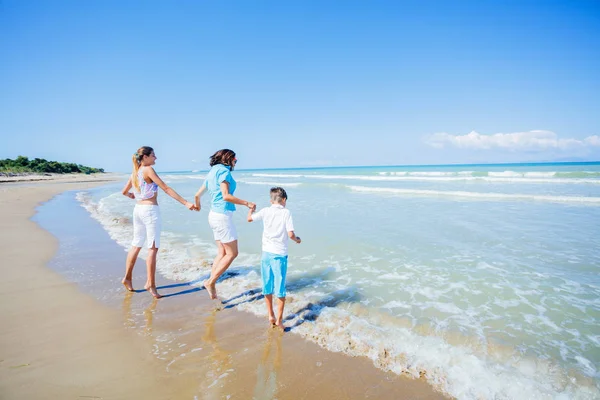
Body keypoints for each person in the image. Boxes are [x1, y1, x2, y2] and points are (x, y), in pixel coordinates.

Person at [121, 146, 197, 298]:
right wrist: (185, 202)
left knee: (136, 245)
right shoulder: (148, 169)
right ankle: (150, 283)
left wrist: (134, 196)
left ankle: (127, 278)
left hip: (138, 210)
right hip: (149, 212)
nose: (155, 158)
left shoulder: (135, 172)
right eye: (153, 155)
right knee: (152, 248)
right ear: (145, 157)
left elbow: (124, 192)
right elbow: (166, 188)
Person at [194, 149, 256, 300]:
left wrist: (197, 206)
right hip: (222, 216)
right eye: (235, 159)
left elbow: (197, 195)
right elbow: (226, 196)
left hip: (213, 215)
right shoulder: (224, 172)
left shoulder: (212, 172)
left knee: (221, 252)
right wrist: (247, 203)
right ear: (228, 158)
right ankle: (211, 281)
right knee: (232, 253)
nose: (236, 161)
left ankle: (210, 281)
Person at [247, 187, 301, 330]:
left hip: (266, 254)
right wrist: (297, 240)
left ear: (271, 201)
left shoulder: (265, 211)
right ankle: (279, 320)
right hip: (279, 255)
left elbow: (249, 219)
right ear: (284, 200)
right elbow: (290, 234)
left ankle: (270, 314)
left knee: (267, 285)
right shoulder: (286, 213)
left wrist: (251, 209)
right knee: (280, 288)